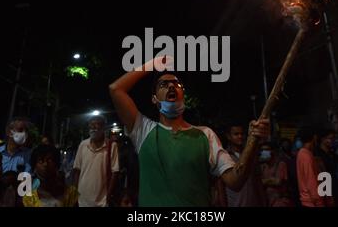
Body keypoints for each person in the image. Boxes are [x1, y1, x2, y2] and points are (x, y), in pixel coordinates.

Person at [109, 56, 270, 206]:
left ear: (183, 95)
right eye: (163, 85)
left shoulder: (205, 135)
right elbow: (115, 89)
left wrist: (253, 142)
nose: (172, 86)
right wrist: (153, 64)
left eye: (177, 84)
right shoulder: (143, 130)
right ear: (154, 99)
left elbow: (235, 182)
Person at [72, 116, 120, 207]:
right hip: (82, 200)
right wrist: (74, 194)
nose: (93, 128)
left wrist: (108, 196)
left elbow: (115, 173)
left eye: (96, 125)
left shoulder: (111, 146)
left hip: (101, 202)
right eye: (91, 126)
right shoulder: (83, 145)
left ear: (103, 128)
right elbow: (77, 170)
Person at [222, 122, 267, 207]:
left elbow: (257, 181)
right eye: (236, 134)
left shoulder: (251, 156)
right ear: (228, 136)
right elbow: (221, 187)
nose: (240, 136)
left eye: (242, 134)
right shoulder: (224, 156)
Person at [296, 127, 325, 207]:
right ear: (314, 137)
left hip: (309, 200)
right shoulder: (306, 155)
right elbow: (311, 181)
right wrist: (319, 202)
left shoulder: (302, 153)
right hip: (312, 202)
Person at [260, 142, 294, 207]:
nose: (263, 152)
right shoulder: (263, 166)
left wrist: (264, 181)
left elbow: (278, 182)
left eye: (266, 150)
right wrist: (270, 180)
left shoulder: (281, 164)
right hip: (268, 201)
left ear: (273, 151)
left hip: (280, 201)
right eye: (262, 150)